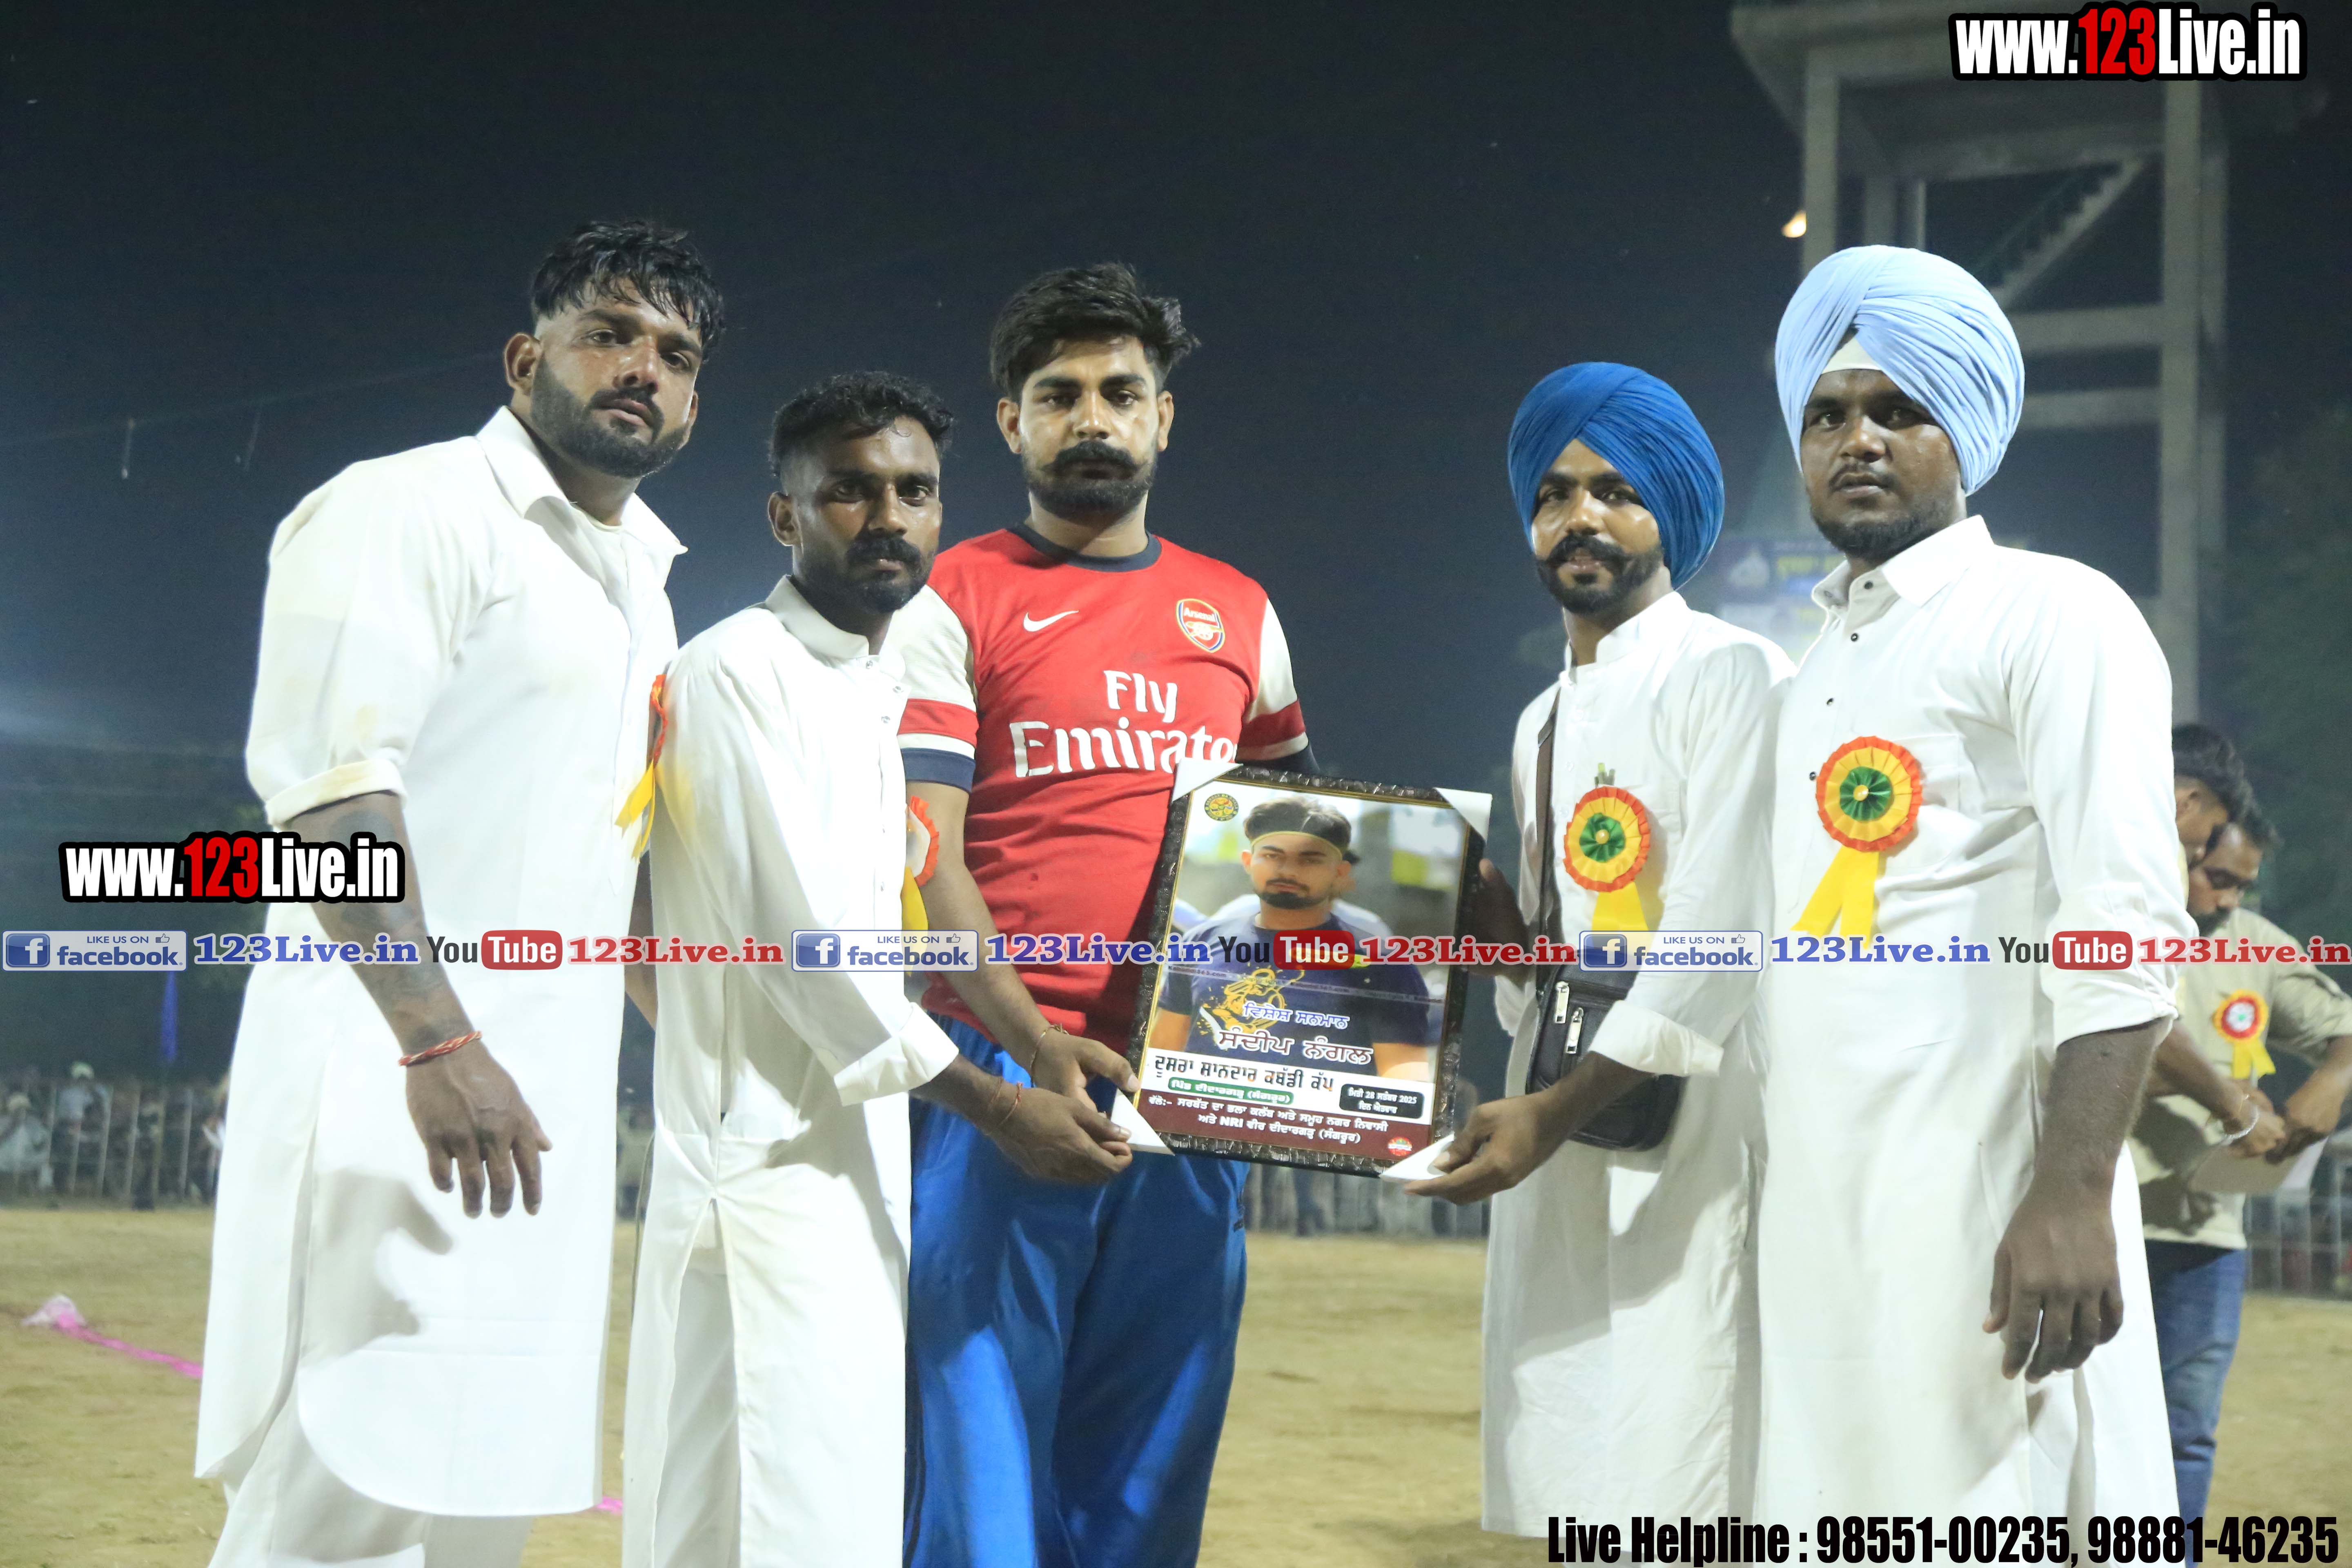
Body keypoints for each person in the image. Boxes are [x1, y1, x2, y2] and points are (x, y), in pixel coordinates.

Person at [197, 219, 722, 1567]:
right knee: (346, 1483)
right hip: (397, 1088)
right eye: (609, 333)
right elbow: (328, 801)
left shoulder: (644, 581)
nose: (644, 369)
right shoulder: (408, 507)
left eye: (676, 355)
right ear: (524, 360)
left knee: (481, 1491)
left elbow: (609, 860)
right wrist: (438, 1043)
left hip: (539, 1121)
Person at [621, 373, 1129, 1568]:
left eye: (915, 491)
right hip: (759, 1176)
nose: (888, 516)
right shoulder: (735, 671)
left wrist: (1037, 1038)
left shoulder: (875, 687)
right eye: (850, 491)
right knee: (762, 1517)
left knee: (827, 1515)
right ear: (785, 515)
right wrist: (999, 1102)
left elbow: (909, 912)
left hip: (853, 1165)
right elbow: (810, 951)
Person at [894, 263, 1314, 1568]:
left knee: (1148, 1472)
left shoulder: (1239, 610)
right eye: (1060, 393)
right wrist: (1031, 1049)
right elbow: (924, 859)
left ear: (1163, 417)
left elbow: (1303, 859)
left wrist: (1319, 1063)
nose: (1093, 417)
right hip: (1003, 1075)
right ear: (1011, 421)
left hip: (1190, 1084)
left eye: (1122, 393)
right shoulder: (950, 593)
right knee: (980, 1467)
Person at [1755, 245, 2184, 1519]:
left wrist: (2072, 1190)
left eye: (1900, 409)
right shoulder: (1817, 661)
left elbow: (2122, 917)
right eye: (1828, 415)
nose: (1859, 439)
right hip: (1821, 1213)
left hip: (1989, 1203)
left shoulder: (2053, 611)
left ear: (1967, 430)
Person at [1408, 363, 1788, 1527]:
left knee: (1696, 1442)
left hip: (1700, 1133)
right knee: (1580, 1451)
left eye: (1616, 491)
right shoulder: (1541, 719)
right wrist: (1494, 934)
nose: (1581, 516)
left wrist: (1553, 1110)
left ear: (1670, 512)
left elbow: (1722, 938)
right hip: (1564, 1126)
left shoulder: (1735, 673)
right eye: (1554, 494)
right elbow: (1546, 980)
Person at [2132, 806, 2352, 1523]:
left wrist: (2332, 1081)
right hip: (2093, 1228)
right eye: (2218, 876)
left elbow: (2345, 1031)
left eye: (2242, 886)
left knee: (2186, 1435)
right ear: (2178, 847)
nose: (2228, 899)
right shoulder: (2104, 931)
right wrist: (2226, 1098)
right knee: (2070, 1423)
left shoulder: (2252, 942)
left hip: (2205, 1237)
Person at [1146, 799, 1433, 1079]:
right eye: (1273, 856)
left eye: (1310, 860)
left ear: (1340, 872)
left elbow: (1404, 1076)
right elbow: (1162, 1054)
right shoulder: (1202, 942)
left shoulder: (1383, 964)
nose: (1288, 872)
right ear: (1248, 862)